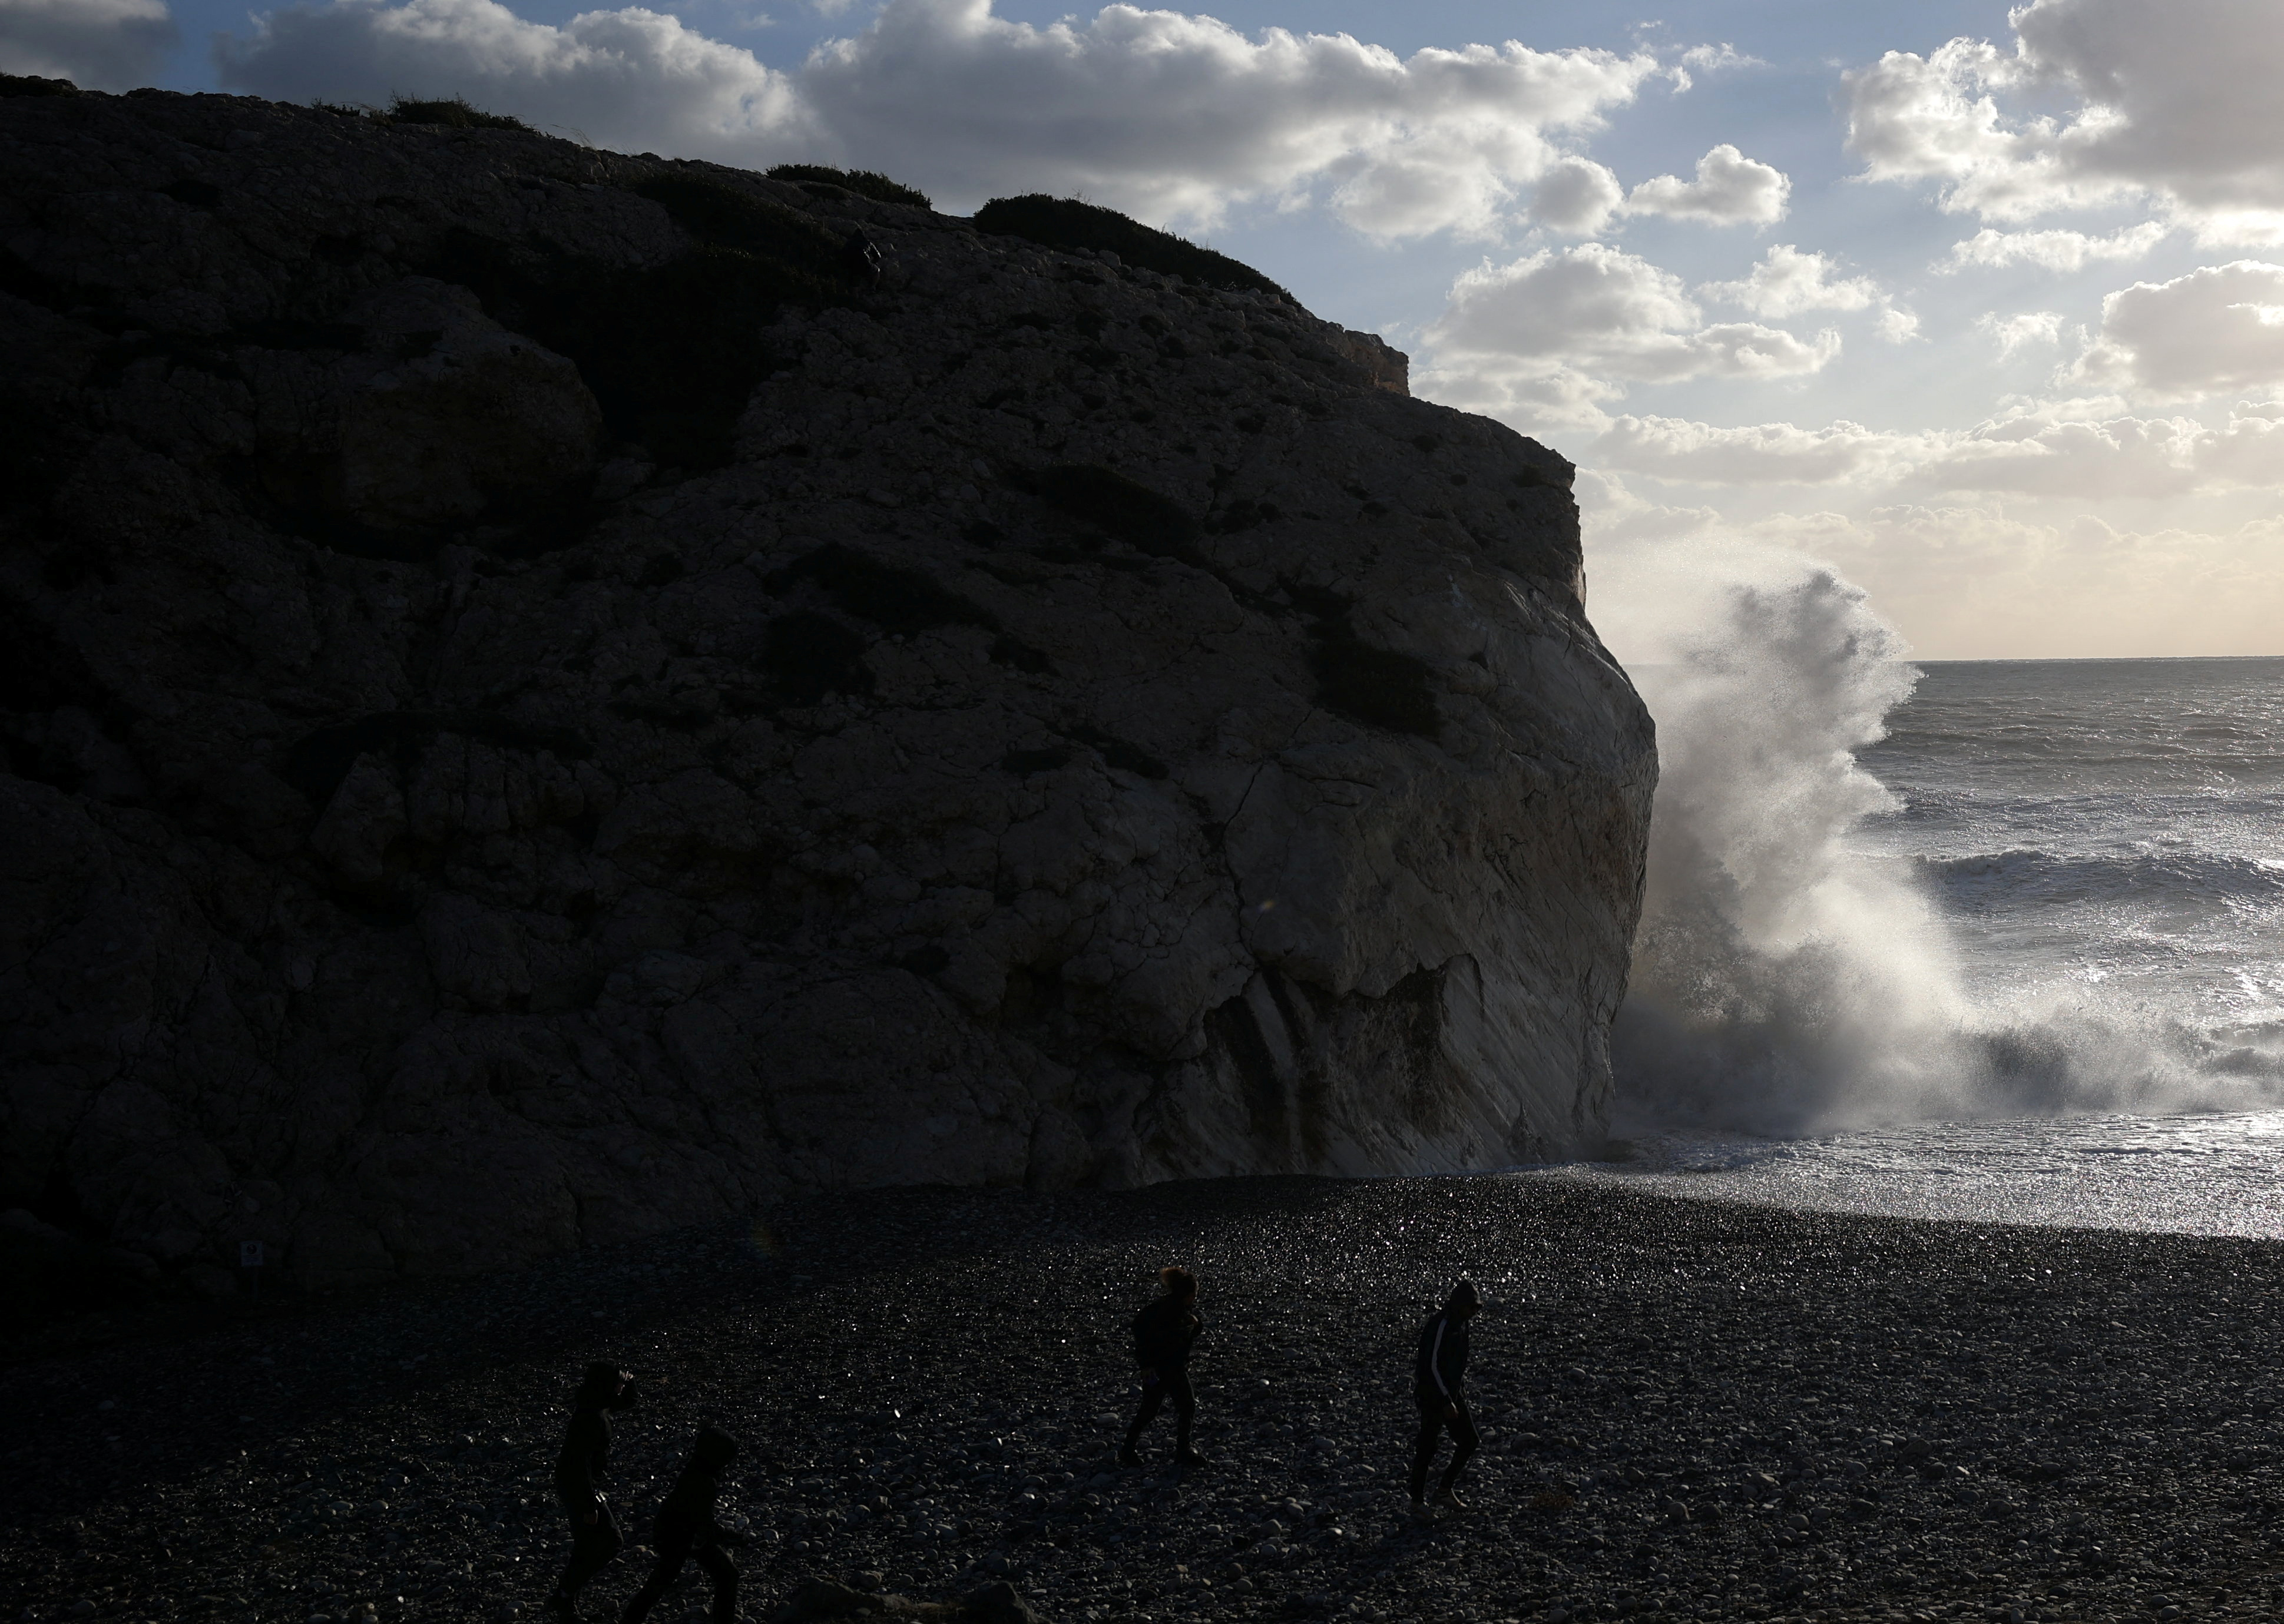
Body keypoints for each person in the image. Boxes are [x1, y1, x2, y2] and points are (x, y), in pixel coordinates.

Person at [620, 1425, 744, 1624]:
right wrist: (734, 1537)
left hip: (674, 1532)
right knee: (727, 1576)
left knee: (660, 1583)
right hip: (679, 1536)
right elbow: (704, 1525)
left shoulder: (697, 1469)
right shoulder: (704, 1481)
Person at [548, 1363, 637, 1622]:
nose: (621, 1386)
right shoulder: (592, 1416)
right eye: (619, 1382)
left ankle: (565, 1596)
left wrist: (630, 1381)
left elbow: (628, 1401)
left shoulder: (597, 1404)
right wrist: (589, 1506)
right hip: (578, 1486)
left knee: (590, 1544)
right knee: (610, 1541)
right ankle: (564, 1596)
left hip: (579, 1484)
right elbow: (579, 1464)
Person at [1120, 1265, 1206, 1467]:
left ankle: (1128, 1450)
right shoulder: (1168, 1311)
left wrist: (1196, 1325)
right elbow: (1144, 1333)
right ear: (1189, 1294)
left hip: (1163, 1368)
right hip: (1166, 1368)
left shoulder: (1175, 1309)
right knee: (1186, 1407)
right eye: (1195, 1294)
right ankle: (1182, 1452)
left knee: (1151, 1410)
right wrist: (1146, 1364)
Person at [1409, 1280, 1482, 1517]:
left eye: (1477, 1308)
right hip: (1433, 1395)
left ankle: (1444, 1490)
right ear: (1460, 1305)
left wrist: (1457, 1392)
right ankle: (1417, 1502)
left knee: (1469, 1441)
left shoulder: (1462, 1324)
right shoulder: (1440, 1325)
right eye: (1472, 1307)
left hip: (1452, 1394)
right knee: (1427, 1448)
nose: (1475, 1312)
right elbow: (1430, 1365)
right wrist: (1444, 1399)